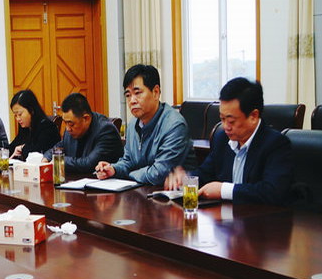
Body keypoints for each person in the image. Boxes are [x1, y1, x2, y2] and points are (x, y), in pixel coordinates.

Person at [164, 77, 294, 205]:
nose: (226, 126)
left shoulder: (276, 144)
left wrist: (223, 190)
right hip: (226, 216)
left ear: (253, 116)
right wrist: (185, 179)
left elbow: (272, 192)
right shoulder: (222, 139)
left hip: (261, 217)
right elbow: (205, 174)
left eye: (231, 121)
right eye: (222, 119)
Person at [95, 64, 195, 185]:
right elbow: (128, 161)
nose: (132, 101)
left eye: (137, 93)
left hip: (175, 193)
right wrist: (113, 169)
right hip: (143, 190)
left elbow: (159, 173)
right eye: (128, 95)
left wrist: (130, 174)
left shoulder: (174, 125)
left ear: (156, 92)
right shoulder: (133, 124)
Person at [42, 92, 123, 174]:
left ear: (86, 118)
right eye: (65, 123)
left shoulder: (106, 130)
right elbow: (60, 146)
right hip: (76, 180)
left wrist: (59, 161)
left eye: (71, 124)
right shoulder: (71, 128)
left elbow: (88, 165)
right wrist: (46, 158)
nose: (67, 128)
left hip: (100, 180)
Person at [8, 89, 60, 160]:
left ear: (31, 110)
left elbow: (36, 153)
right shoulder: (25, 127)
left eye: (20, 114)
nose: (18, 119)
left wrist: (22, 148)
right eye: (15, 115)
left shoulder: (47, 127)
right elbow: (14, 145)